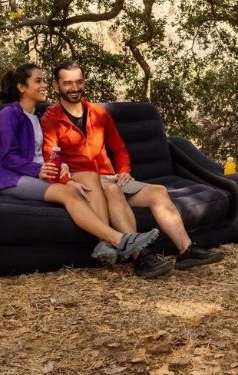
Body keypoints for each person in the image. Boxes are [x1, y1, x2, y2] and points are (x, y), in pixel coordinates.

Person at [0, 63, 173, 278]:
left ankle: (106, 244)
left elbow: (45, 153)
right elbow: (8, 157)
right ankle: (118, 239)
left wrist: (61, 168)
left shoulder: (35, 116)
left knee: (88, 177)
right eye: (38, 81)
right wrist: (41, 171)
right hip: (9, 178)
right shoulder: (8, 115)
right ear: (21, 87)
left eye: (44, 80)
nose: (45, 85)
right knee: (69, 192)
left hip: (35, 172)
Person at [41, 61, 225, 270]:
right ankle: (141, 257)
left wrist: (124, 171)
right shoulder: (50, 118)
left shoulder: (98, 114)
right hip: (84, 181)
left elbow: (119, 149)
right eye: (67, 83)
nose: (74, 88)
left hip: (110, 177)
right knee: (112, 190)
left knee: (158, 191)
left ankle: (186, 250)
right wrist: (66, 180)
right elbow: (51, 156)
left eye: (79, 82)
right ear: (56, 85)